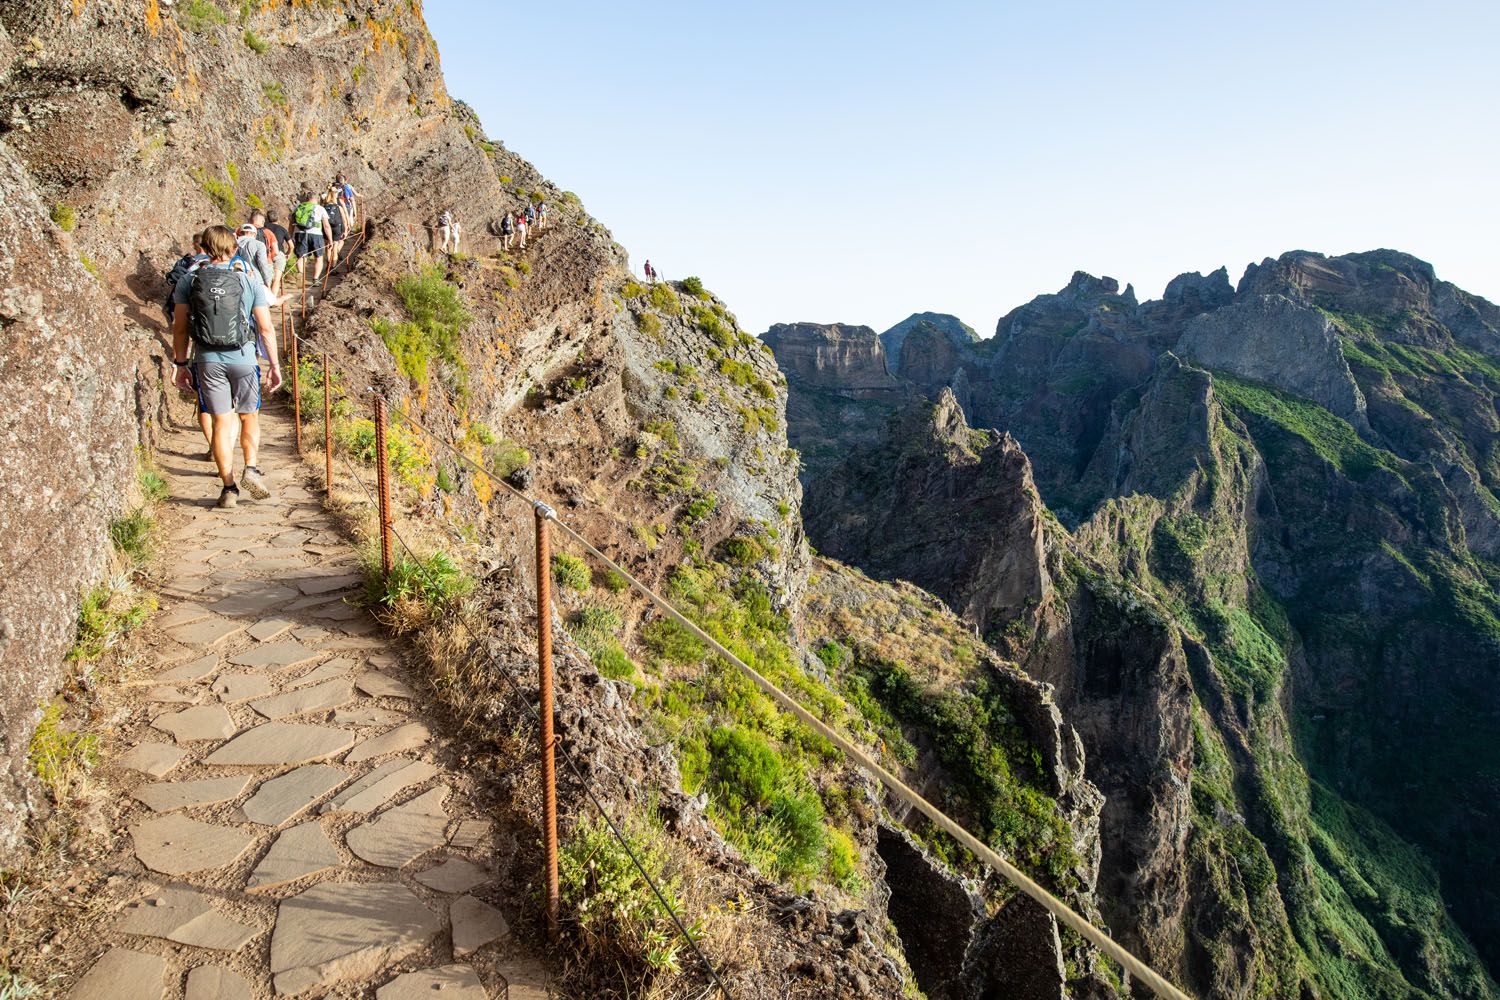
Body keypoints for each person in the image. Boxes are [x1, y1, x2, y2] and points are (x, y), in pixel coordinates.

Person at [170, 225, 282, 508]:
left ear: (204, 248)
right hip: (244, 358)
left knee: (221, 422)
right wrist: (274, 364)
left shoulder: (189, 280)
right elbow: (265, 328)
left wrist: (180, 364)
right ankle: (251, 468)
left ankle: (229, 488)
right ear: (234, 249)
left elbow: (180, 328)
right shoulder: (248, 280)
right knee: (249, 416)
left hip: (207, 360)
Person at [291, 189, 333, 284]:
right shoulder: (320, 208)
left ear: (307, 198)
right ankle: (315, 279)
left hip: (300, 233)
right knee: (319, 257)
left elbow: (291, 224)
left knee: (301, 257)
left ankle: (300, 276)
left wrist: (291, 236)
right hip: (316, 234)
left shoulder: (298, 207)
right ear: (317, 199)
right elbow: (326, 226)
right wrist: (330, 240)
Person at [247, 209, 284, 300]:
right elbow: (275, 251)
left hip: (246, 263)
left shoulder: (242, 230)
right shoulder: (268, 232)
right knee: (266, 285)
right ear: (263, 222)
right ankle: (266, 303)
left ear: (250, 220)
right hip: (266, 262)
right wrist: (269, 257)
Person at [236, 223, 276, 293]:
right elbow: (263, 264)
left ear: (240, 233)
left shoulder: (232, 244)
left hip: (236, 279)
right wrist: (268, 283)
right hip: (255, 279)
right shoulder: (259, 244)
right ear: (254, 234)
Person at [321, 185, 349, 268]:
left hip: (326, 228)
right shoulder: (338, 207)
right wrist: (345, 230)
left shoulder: (323, 207)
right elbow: (344, 220)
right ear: (335, 195)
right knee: (335, 246)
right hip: (337, 228)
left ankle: (328, 265)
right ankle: (333, 266)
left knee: (328, 247)